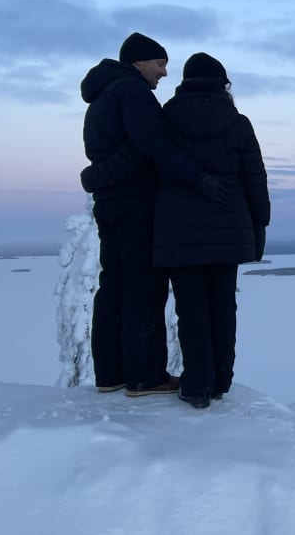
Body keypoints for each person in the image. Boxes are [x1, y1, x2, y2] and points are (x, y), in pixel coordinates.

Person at [79, 32, 230, 396]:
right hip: (134, 202)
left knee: (113, 285)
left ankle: (111, 374)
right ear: (139, 62)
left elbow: (108, 149)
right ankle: (145, 375)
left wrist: (98, 176)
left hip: (111, 202)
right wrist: (198, 177)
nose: (164, 73)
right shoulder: (132, 92)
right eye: (160, 64)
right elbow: (153, 145)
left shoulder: (102, 95)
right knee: (143, 287)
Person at [153, 52, 270, 409]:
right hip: (228, 231)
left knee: (190, 308)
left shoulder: (163, 119)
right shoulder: (238, 123)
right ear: (223, 84)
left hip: (178, 233)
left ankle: (197, 383)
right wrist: (259, 226)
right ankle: (221, 380)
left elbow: (152, 167)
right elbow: (255, 180)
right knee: (223, 304)